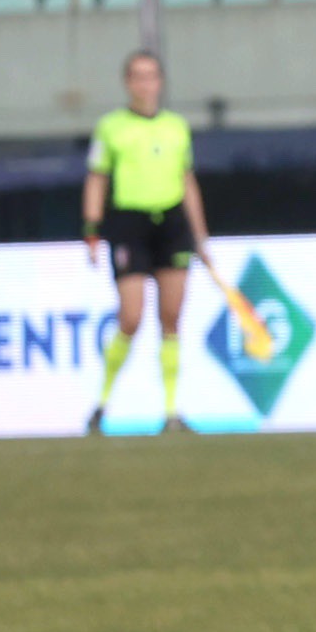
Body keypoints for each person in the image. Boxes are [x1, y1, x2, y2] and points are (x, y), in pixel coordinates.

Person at [80, 51, 211, 436]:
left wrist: (200, 236)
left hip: (171, 223)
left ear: (160, 81)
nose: (145, 84)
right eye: (138, 76)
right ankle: (102, 404)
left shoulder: (176, 127)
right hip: (129, 224)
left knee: (171, 316)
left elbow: (187, 181)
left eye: (151, 76)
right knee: (131, 317)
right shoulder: (111, 127)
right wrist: (91, 229)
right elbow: (97, 179)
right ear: (128, 82)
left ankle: (171, 412)